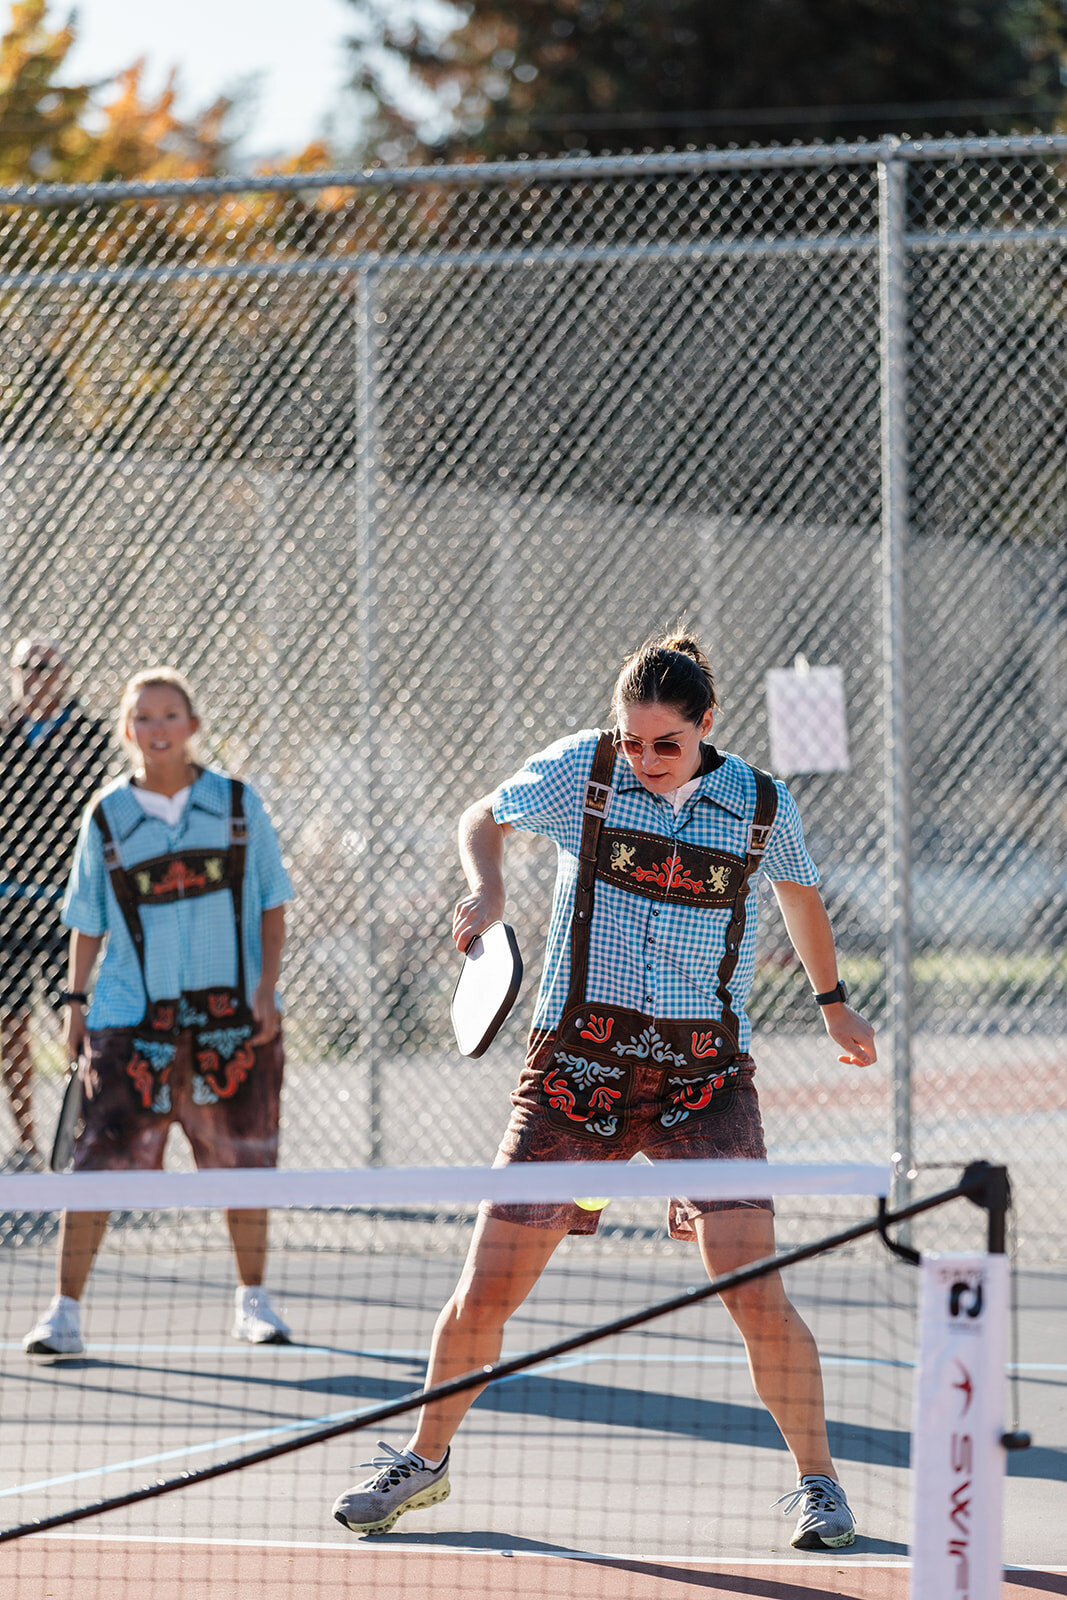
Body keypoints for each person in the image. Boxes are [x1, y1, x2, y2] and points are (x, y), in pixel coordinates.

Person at [331, 630, 877, 1550]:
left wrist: (832, 1006)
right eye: (631, 741)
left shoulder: (757, 804)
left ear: (708, 725)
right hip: (577, 1074)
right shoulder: (581, 772)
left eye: (666, 743)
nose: (645, 760)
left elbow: (798, 896)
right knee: (485, 1292)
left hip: (702, 1080)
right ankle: (423, 1463)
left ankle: (818, 1485)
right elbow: (483, 815)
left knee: (753, 1290)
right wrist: (488, 887)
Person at [23, 667, 294, 1356]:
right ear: (126, 731)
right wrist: (77, 1006)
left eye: (170, 714)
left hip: (230, 1020)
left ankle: (253, 1302)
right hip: (129, 1017)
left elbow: (271, 901)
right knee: (95, 1164)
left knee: (243, 1159)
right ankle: (64, 1313)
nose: (157, 728)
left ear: (193, 725)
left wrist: (265, 993)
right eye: (143, 717)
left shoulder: (237, 806)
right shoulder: (107, 814)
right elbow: (86, 918)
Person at [0, 638, 111, 1169]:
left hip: (70, 908)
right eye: (25, 667)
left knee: (74, 1017)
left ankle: (84, 1137)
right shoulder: (2, 736)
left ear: (64, 674)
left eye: (46, 667)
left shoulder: (89, 736)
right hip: (9, 907)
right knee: (10, 1021)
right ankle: (27, 1143)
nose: (34, 677)